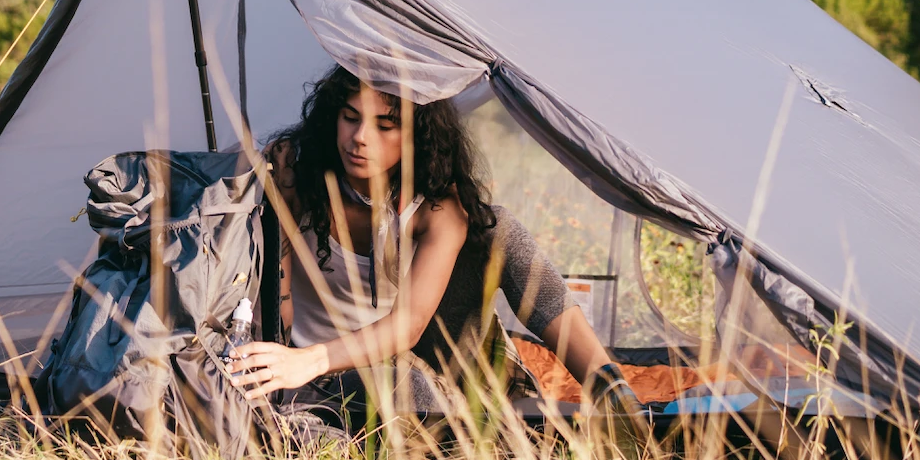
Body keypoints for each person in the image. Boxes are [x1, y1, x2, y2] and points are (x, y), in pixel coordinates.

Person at [228, 64, 636, 426]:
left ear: (416, 135)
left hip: (406, 354)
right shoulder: (293, 174)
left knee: (497, 229)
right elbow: (274, 307)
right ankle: (481, 434)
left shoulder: (437, 205)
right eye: (350, 118)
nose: (360, 138)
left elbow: (410, 325)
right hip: (321, 375)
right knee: (403, 386)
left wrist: (309, 361)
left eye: (385, 126)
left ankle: (617, 397)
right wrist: (295, 361)